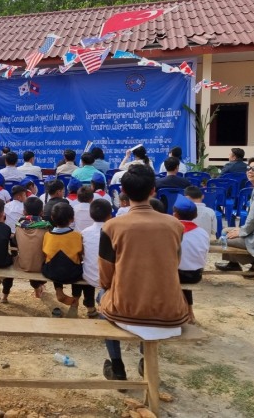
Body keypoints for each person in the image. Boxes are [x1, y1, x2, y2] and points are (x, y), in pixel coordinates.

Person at [98, 164, 188, 383]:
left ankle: (117, 364)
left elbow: (105, 275)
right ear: (153, 191)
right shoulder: (175, 225)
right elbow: (174, 263)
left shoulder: (111, 227)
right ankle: (144, 359)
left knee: (101, 295)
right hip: (170, 314)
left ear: (125, 194)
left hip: (124, 313)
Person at [172, 195, 209, 324]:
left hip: (176, 275)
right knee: (182, 267)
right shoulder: (202, 232)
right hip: (196, 274)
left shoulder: (172, 231)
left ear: (175, 214)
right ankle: (189, 312)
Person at [42, 202, 84, 310]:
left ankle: (59, 290)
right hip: (73, 274)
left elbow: (45, 253)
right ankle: (75, 298)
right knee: (77, 264)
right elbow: (81, 254)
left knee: (55, 261)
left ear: (52, 218)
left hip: (51, 272)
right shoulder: (77, 236)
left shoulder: (47, 235)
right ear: (72, 219)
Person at [81, 199, 113, 319]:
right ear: (110, 215)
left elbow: (83, 254)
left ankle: (90, 306)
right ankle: (103, 302)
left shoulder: (84, 232)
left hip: (89, 276)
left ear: (91, 215)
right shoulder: (115, 232)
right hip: (110, 280)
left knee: (87, 267)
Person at [14, 197, 50, 298]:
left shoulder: (18, 226)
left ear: (24, 211)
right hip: (42, 267)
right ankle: (39, 286)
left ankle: (37, 288)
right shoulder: (46, 227)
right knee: (38, 255)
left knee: (29, 254)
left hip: (23, 264)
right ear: (42, 212)